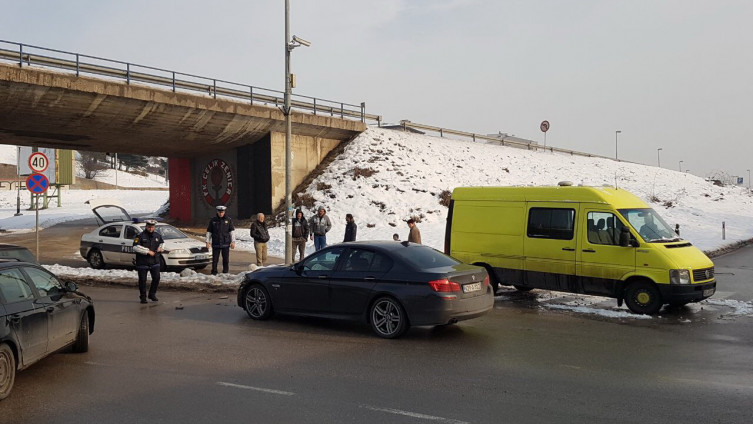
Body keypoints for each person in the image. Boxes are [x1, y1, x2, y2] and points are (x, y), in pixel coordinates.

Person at [133, 219, 164, 303]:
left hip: (155, 261)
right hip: (143, 262)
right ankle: (143, 297)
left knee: (156, 278)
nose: (151, 229)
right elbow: (135, 247)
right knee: (143, 280)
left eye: (152, 227)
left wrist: (161, 248)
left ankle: (152, 294)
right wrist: (147, 251)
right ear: (146, 227)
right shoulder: (140, 236)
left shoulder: (157, 235)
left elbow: (162, 243)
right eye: (149, 227)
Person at [206, 205, 235, 275]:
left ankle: (225, 272)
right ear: (217, 212)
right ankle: (214, 272)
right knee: (215, 260)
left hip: (225, 243)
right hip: (216, 242)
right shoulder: (213, 220)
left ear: (224, 212)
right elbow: (209, 231)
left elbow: (232, 231)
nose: (221, 214)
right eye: (220, 212)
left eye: (222, 212)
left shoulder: (228, 220)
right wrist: (207, 241)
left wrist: (233, 241)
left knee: (226, 260)